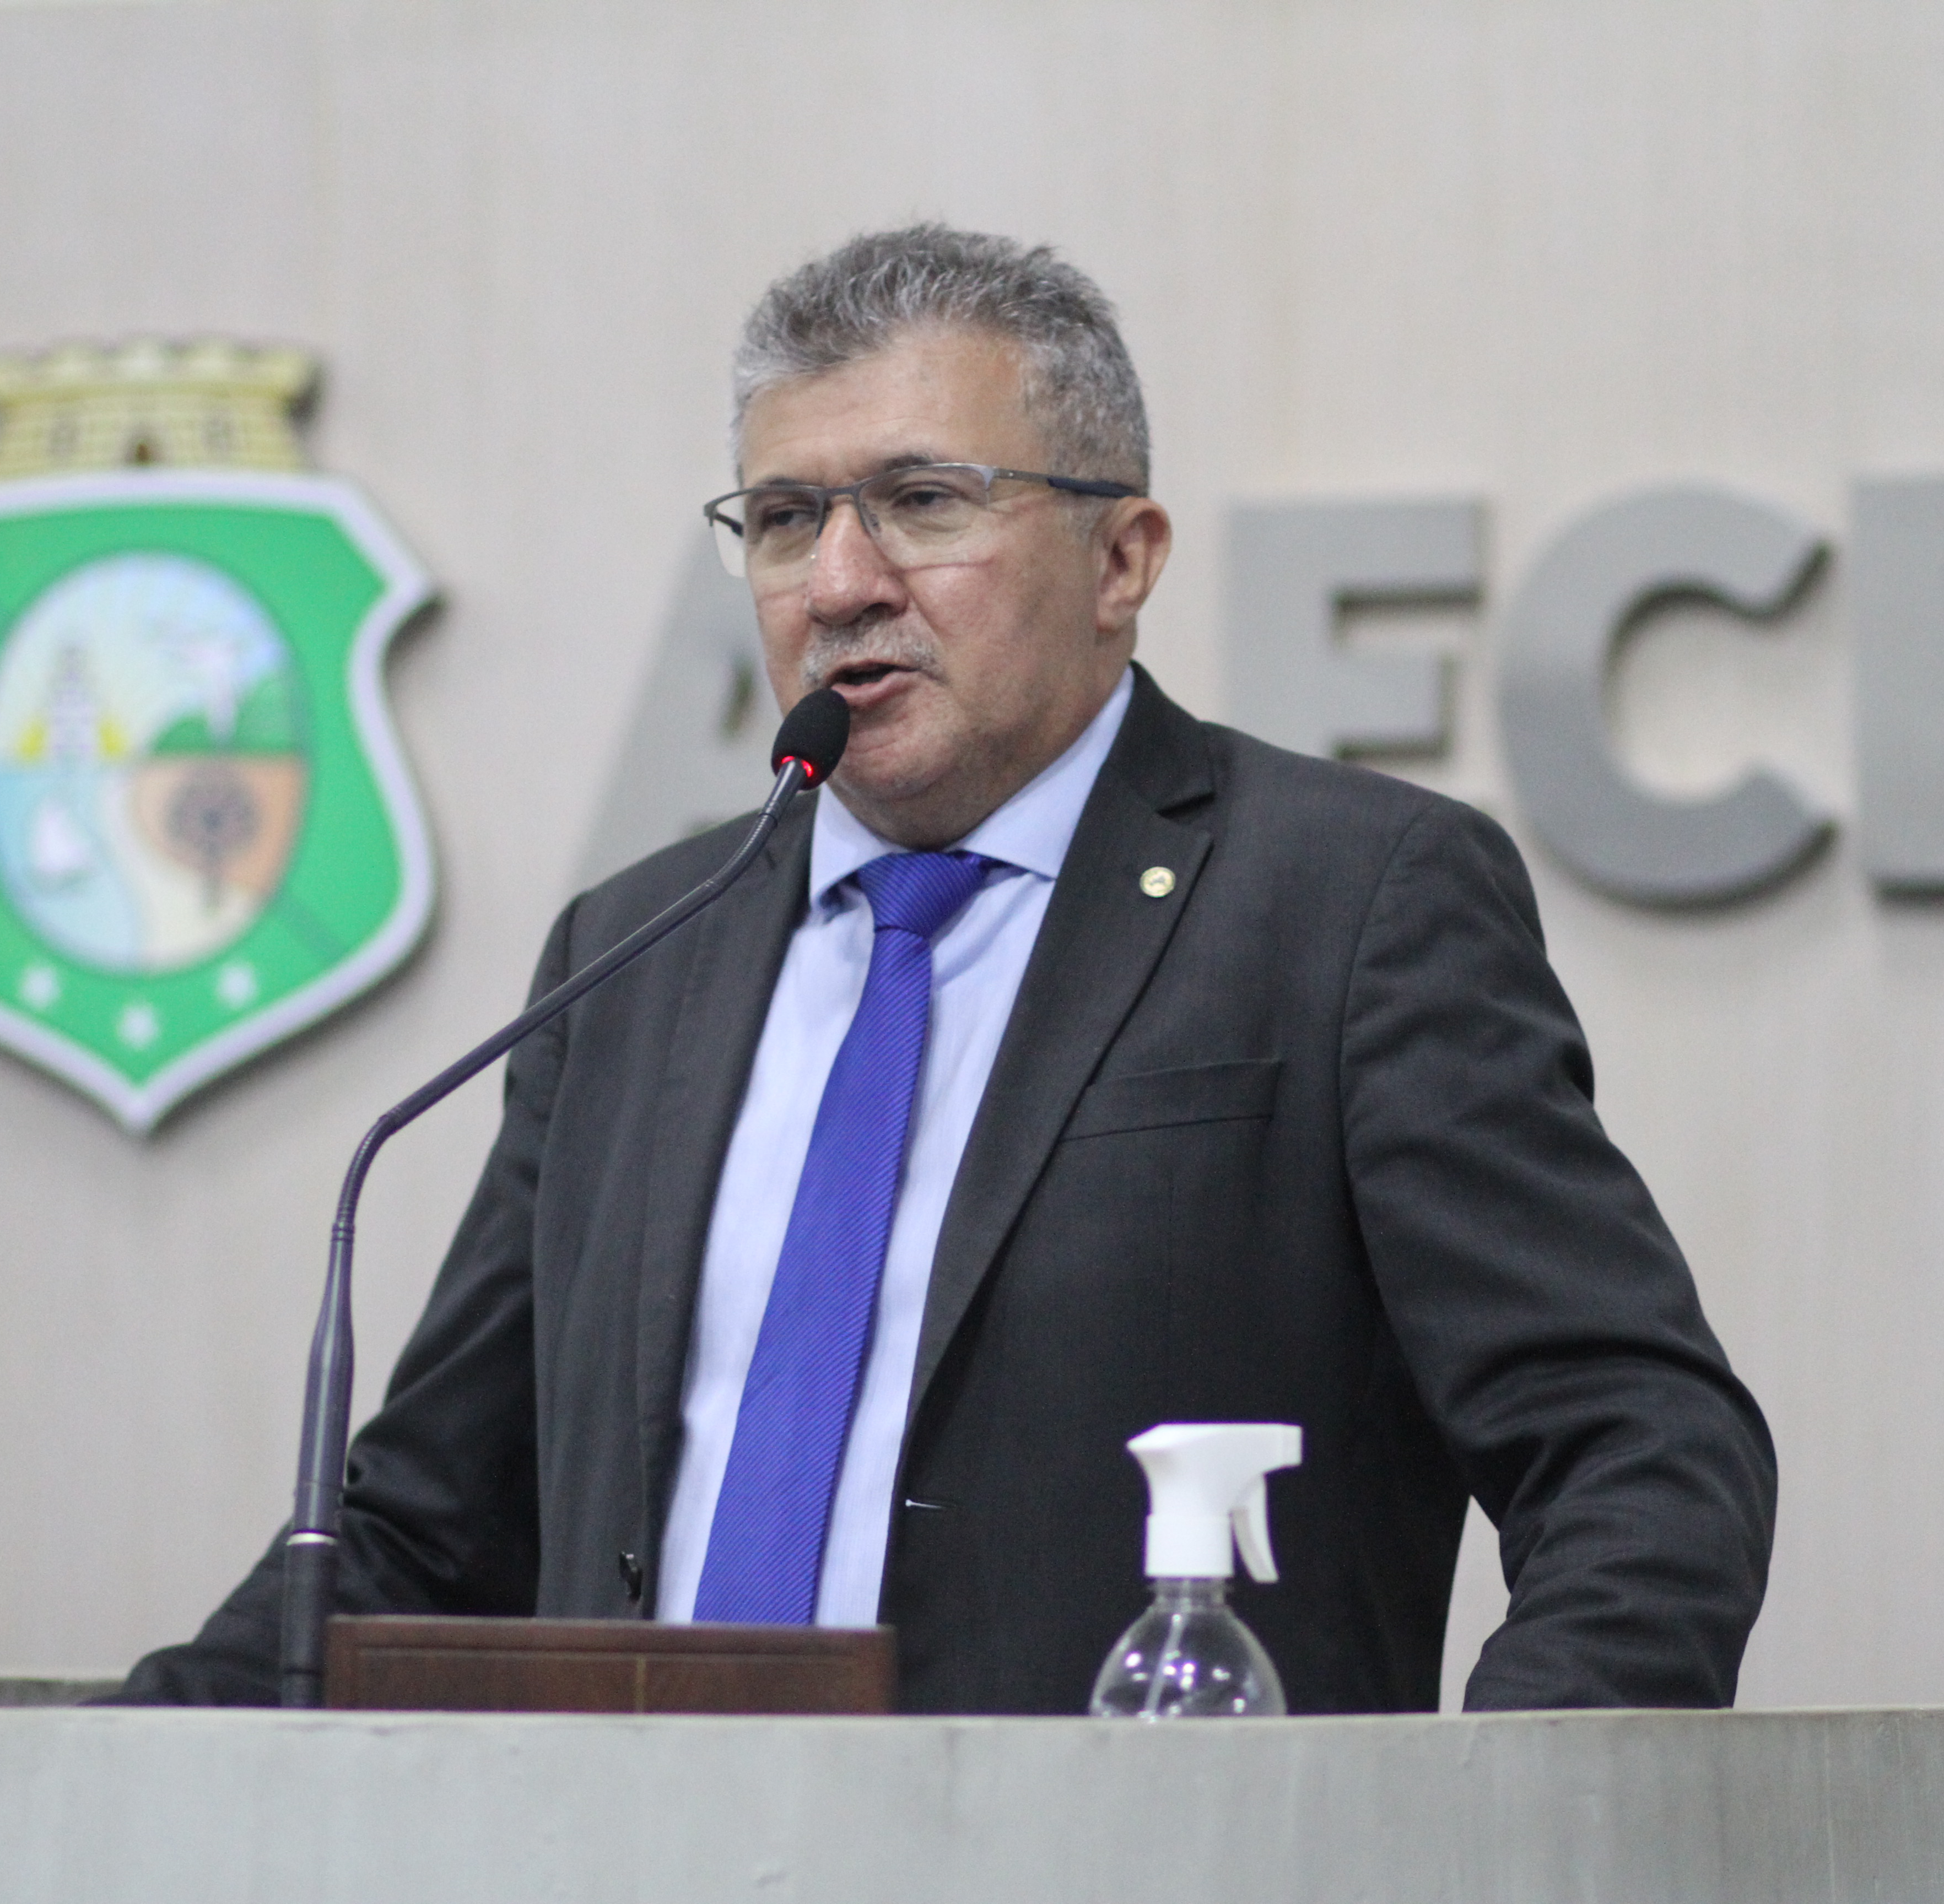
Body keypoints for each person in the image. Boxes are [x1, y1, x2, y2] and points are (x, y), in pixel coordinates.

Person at [115, 225, 1776, 1713]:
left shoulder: (1345, 904)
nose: (842, 586)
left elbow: (1637, 1447)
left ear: (1122, 559)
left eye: (923, 503)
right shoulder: (631, 957)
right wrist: (109, 1766)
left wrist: (1492, 1828)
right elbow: (422, 1531)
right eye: (785, 520)